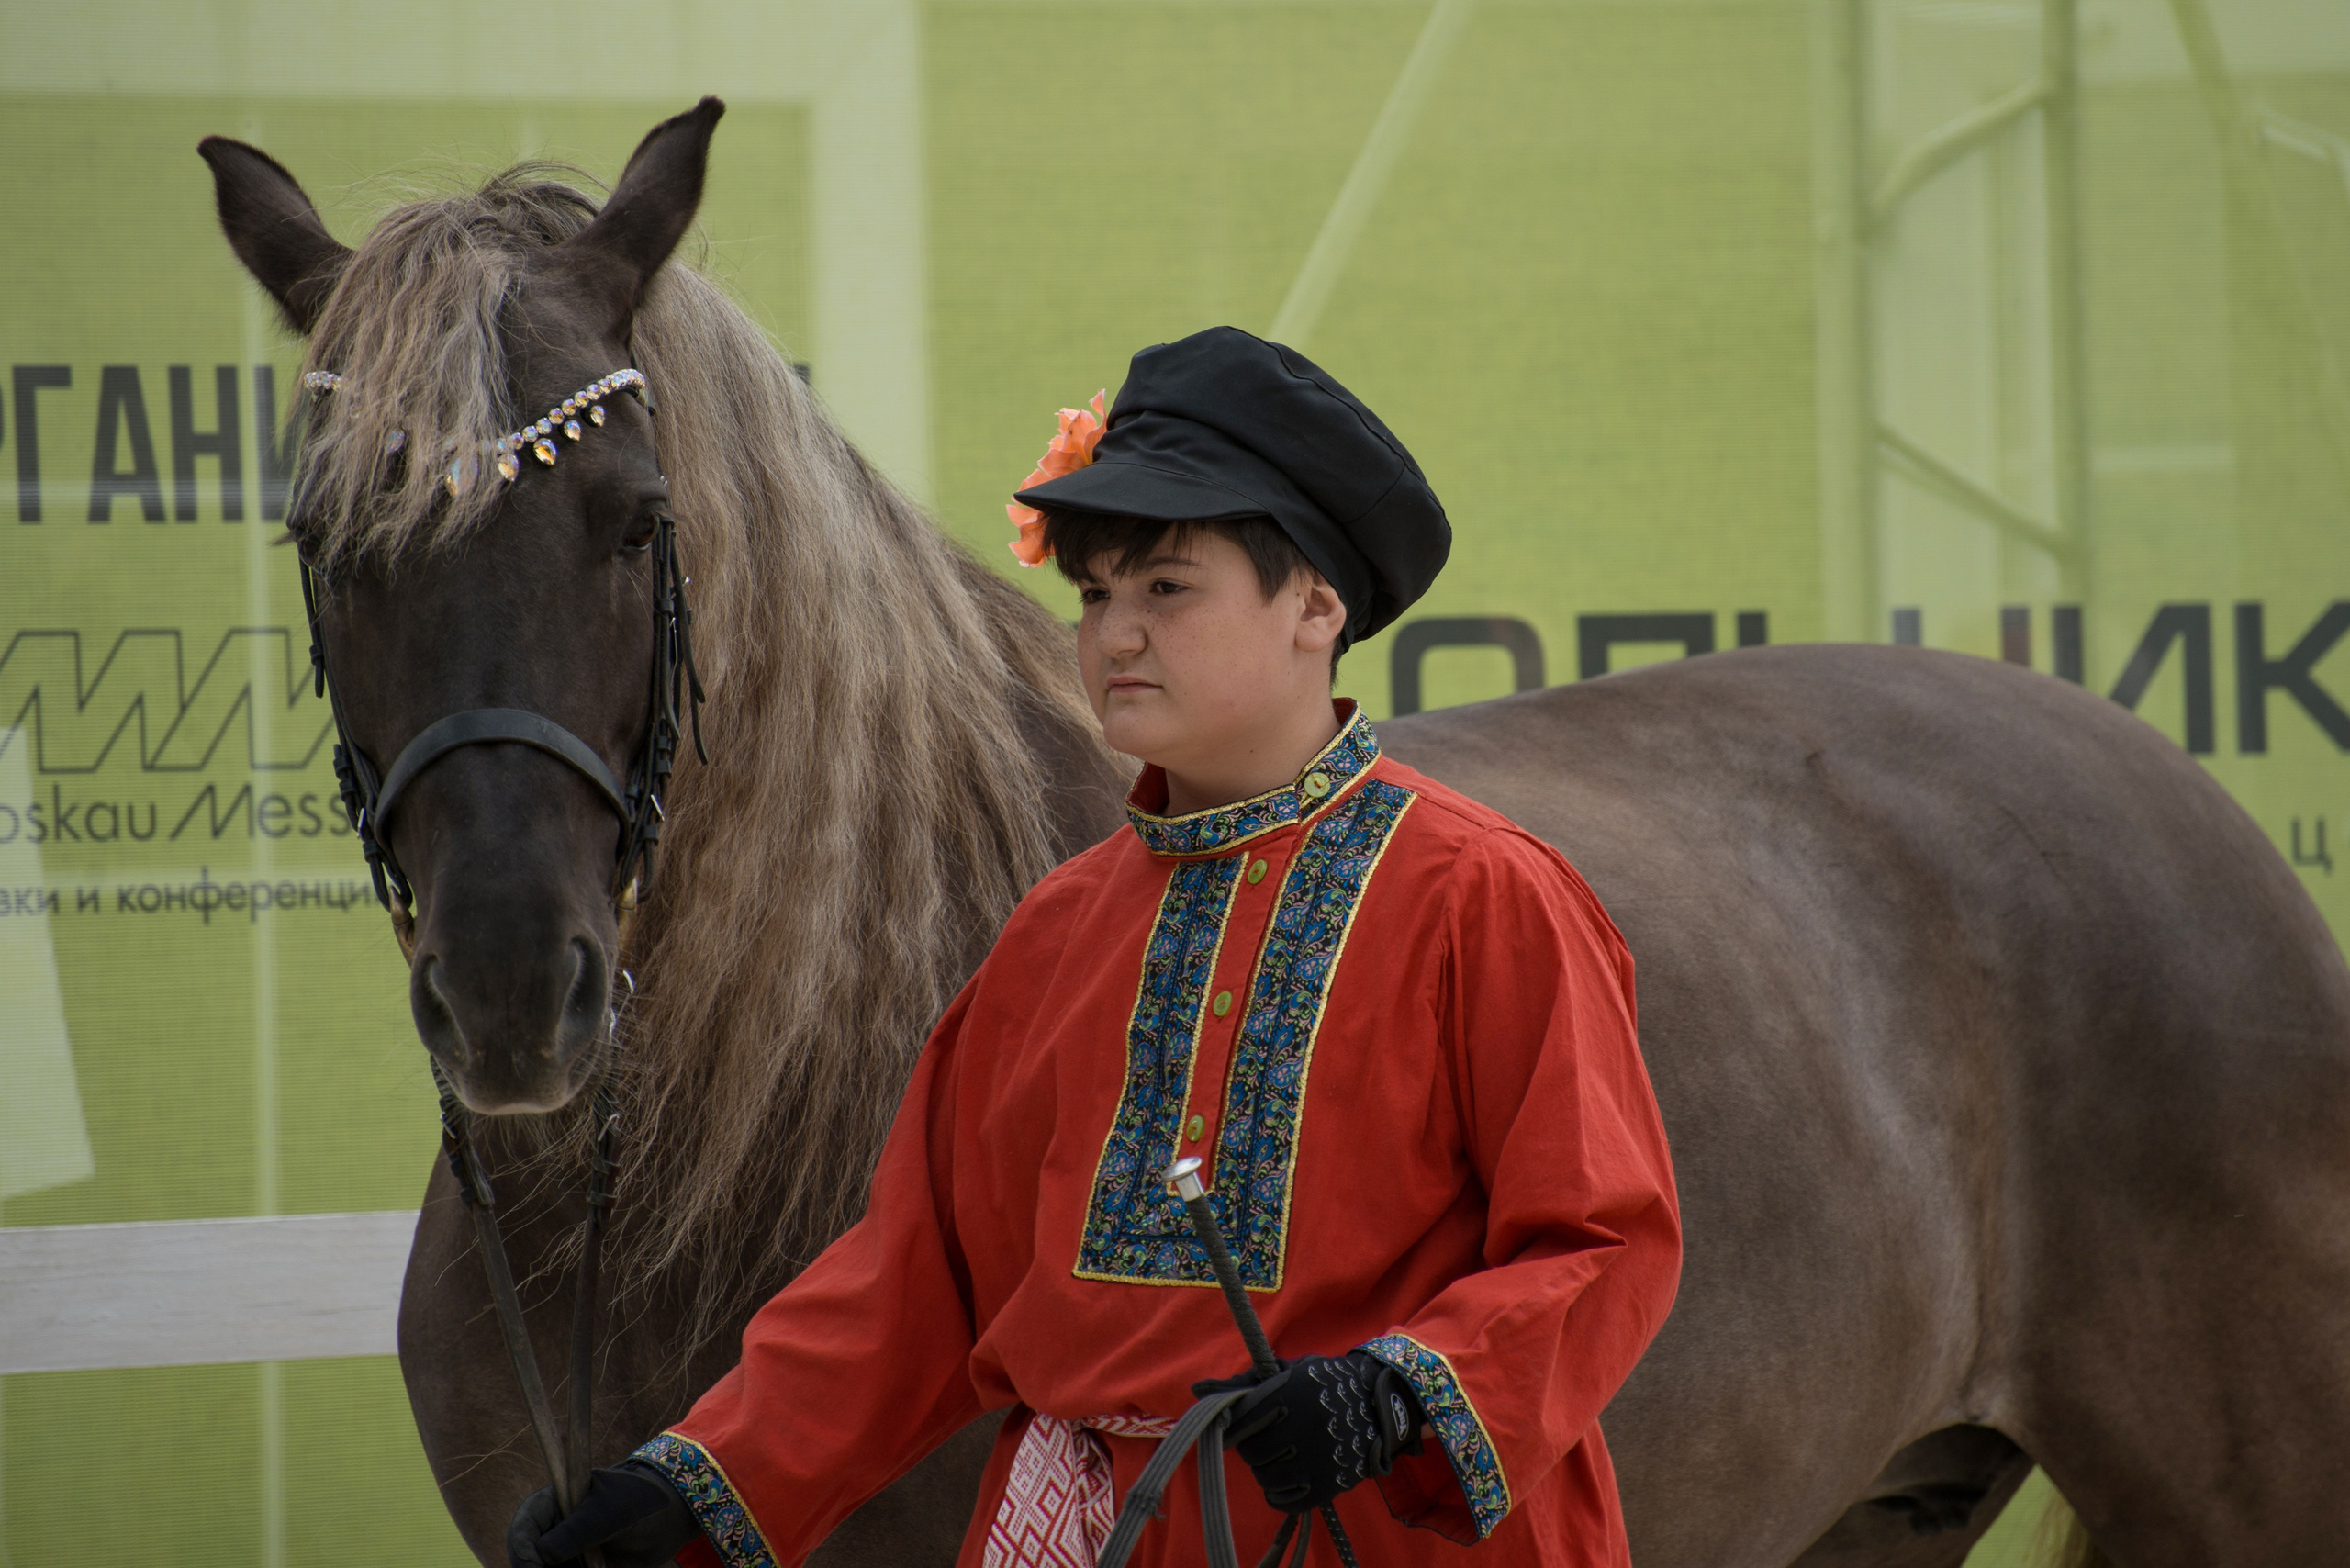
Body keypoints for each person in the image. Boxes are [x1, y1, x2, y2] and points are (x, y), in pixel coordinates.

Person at [509, 326, 1682, 1568]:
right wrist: (694, 1487)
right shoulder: (1059, 932)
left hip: (1376, 1534)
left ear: (1316, 606)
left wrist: (1402, 1393)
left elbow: (1604, 1242)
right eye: (1096, 594)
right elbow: (919, 1281)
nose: (1117, 631)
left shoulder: (1483, 894)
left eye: (1167, 588)